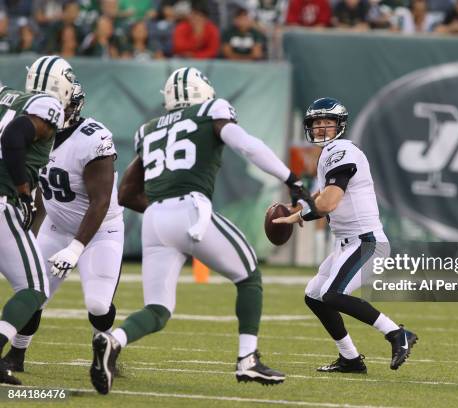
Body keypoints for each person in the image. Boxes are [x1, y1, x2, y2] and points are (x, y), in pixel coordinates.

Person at [89, 67, 308, 394]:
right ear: (201, 92)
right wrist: (292, 180)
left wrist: (164, 215)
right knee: (249, 276)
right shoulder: (211, 111)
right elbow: (247, 146)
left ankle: (113, 339)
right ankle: (247, 359)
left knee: (158, 309)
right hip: (190, 209)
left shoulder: (148, 130)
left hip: (155, 219)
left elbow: (126, 193)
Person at [273, 97, 417, 373]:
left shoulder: (341, 150)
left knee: (332, 294)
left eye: (328, 122)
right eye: (317, 123)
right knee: (314, 295)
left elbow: (328, 204)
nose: (322, 128)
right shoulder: (329, 154)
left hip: (367, 242)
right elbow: (321, 196)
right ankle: (349, 358)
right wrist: (298, 210)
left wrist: (300, 215)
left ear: (340, 125)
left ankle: (397, 334)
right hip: (347, 244)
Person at [0, 82, 124, 374]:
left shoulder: (92, 137)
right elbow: (46, 188)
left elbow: (101, 201)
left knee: (97, 305)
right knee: (33, 294)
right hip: (57, 226)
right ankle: (16, 355)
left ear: (75, 105)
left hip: (100, 231)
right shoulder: (35, 132)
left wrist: (76, 247)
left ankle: (106, 350)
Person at [0, 55, 74, 384]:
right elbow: (13, 137)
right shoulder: (48, 107)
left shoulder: (5, 94)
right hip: (3, 202)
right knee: (34, 288)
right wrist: (23, 187)